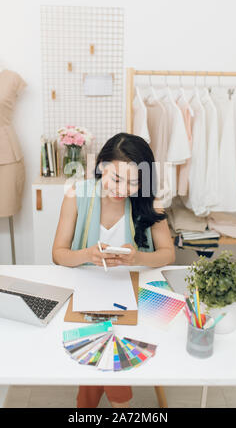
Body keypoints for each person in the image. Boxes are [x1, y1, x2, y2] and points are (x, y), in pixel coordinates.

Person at [52, 132, 175, 408]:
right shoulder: (77, 195)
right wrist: (87, 254)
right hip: (89, 291)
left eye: (133, 182)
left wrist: (138, 258)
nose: (122, 189)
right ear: (100, 167)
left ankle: (88, 406)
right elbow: (58, 255)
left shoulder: (148, 201)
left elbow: (168, 254)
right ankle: (120, 404)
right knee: (105, 337)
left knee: (107, 338)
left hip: (134, 292)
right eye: (116, 179)